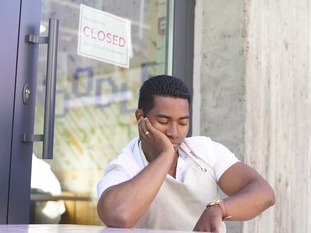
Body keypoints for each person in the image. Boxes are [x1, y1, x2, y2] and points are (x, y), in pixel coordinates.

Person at [97, 75, 275, 232]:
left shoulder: (205, 150)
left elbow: (264, 193)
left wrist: (220, 209)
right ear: (140, 117)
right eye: (164, 121)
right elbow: (119, 215)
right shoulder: (126, 164)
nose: (174, 133)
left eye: (182, 123)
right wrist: (165, 155)